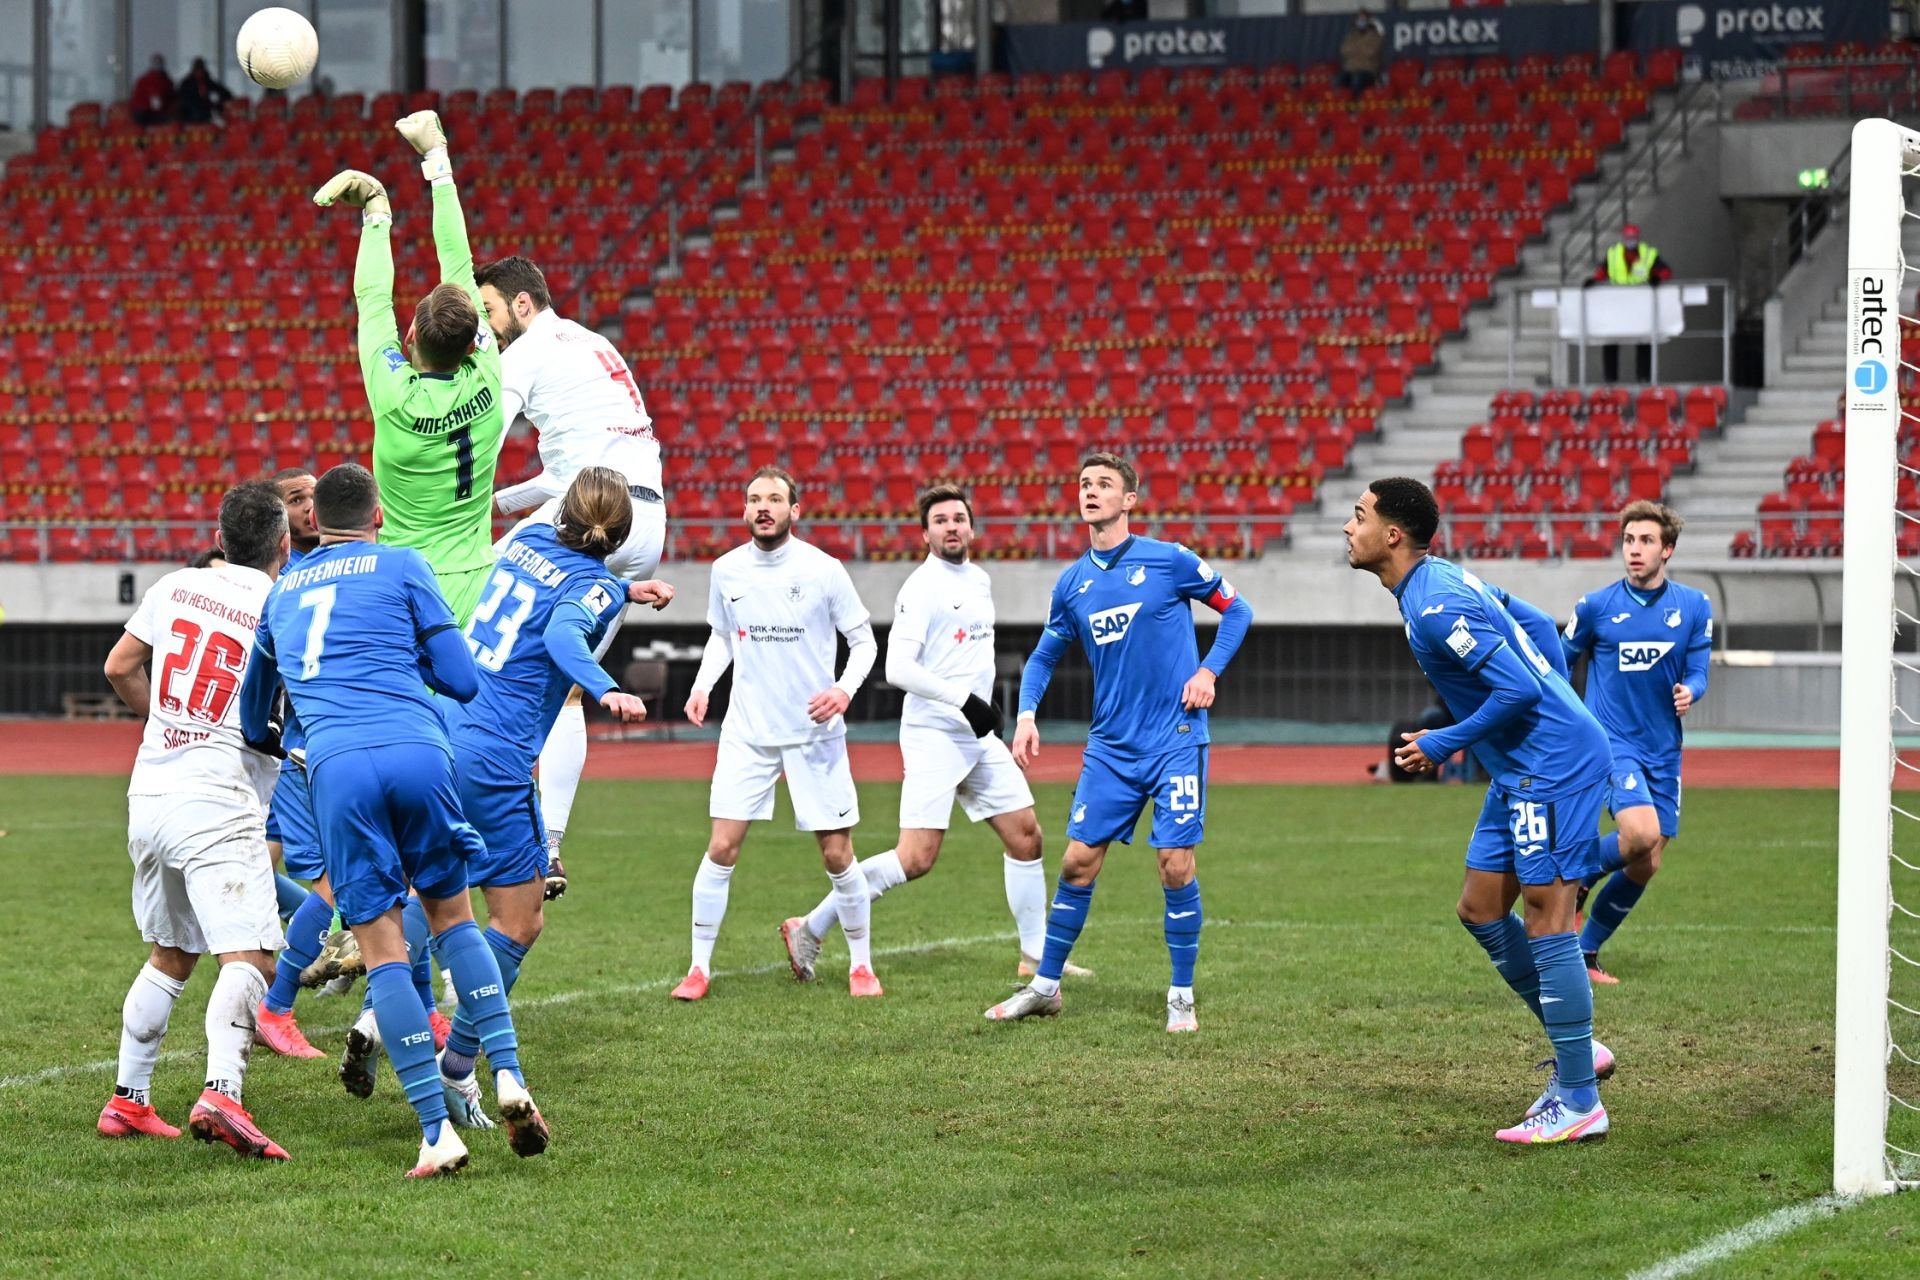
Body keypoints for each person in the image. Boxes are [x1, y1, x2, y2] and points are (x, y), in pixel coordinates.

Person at [238, 463, 546, 1178]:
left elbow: (258, 719)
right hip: (418, 751)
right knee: (454, 920)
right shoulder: (405, 564)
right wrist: (410, 668)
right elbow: (463, 680)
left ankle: (436, 1135)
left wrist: (301, 728)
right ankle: (506, 1076)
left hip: (339, 770)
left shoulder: (282, 591)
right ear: (379, 517)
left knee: (381, 955)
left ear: (312, 526)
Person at [1346, 477, 1615, 1145]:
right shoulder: (1434, 583)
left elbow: (1518, 685)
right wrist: (1548, 693)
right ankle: (1578, 1044)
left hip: (1552, 765)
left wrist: (1445, 741)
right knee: (1478, 907)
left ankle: (1580, 1098)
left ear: (1392, 535)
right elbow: (1529, 624)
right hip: (1520, 764)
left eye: (1358, 517)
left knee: (1548, 918)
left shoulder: (1433, 604)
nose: (1348, 529)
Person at [985, 454, 1253, 1033]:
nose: (1091, 491)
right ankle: (1046, 987)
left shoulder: (1169, 559)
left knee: (1175, 866)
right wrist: (1026, 714)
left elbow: (1238, 610)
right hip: (1110, 748)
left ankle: (1181, 995)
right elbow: (1045, 654)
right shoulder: (1073, 583)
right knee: (1077, 862)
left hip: (1176, 738)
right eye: (1084, 483)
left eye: (1104, 484)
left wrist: (1208, 672)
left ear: (1129, 500)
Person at [778, 483, 1088, 983]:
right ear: (926, 533)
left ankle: (1035, 956)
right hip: (935, 735)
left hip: (976, 734)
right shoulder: (921, 588)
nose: (951, 527)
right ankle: (810, 927)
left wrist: (979, 707)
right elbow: (898, 667)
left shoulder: (981, 580)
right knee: (916, 858)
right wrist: (964, 701)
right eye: (940, 520)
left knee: (1027, 838)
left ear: (971, 526)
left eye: (958, 518)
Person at [435, 467, 664, 1128]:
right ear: (622, 534)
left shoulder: (525, 544)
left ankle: (384, 1017)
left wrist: (622, 589)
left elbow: (554, 590)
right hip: (493, 755)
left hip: (444, 726)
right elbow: (565, 632)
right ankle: (455, 1070)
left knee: (442, 896)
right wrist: (604, 685)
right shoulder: (591, 584)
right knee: (518, 921)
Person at [98, 481, 292, 1159]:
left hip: (151, 787)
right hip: (216, 793)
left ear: (218, 540)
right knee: (255, 954)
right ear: (283, 545)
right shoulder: (279, 602)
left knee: (172, 953)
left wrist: (165, 721)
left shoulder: (175, 586)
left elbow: (120, 665)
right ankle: (223, 1091)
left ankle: (129, 1098)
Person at [477, 252, 670, 898]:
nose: (490, 325)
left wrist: (460, 506)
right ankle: (550, 843)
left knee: (471, 602)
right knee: (561, 688)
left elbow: (482, 441)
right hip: (641, 526)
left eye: (492, 310)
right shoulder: (592, 345)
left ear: (521, 306)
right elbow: (566, 475)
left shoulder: (524, 353)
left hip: (586, 509)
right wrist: (498, 506)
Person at [674, 466, 880, 1000]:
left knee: (837, 854)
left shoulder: (824, 569)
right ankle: (698, 969)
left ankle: (861, 965)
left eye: (773, 499)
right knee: (721, 846)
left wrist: (843, 690)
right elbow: (723, 636)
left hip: (814, 732)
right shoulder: (727, 570)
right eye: (753, 499)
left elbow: (864, 643)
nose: (762, 507)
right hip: (748, 730)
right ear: (745, 511)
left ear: (795, 510)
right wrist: (702, 687)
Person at [313, 110, 504, 625]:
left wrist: (377, 213)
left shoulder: (395, 397)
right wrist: (436, 161)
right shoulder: (489, 375)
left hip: (402, 580)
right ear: (473, 345)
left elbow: (373, 299)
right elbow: (459, 267)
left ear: (412, 335)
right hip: (475, 578)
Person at [1561, 501, 1712, 984]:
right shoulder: (1596, 607)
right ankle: (1576, 880)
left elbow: (1699, 669)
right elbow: (1558, 663)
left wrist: (1693, 690)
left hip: (1664, 749)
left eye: (1646, 541)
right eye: (1629, 540)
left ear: (1667, 549)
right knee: (1640, 835)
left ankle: (1585, 954)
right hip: (1611, 742)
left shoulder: (1693, 606)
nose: (1635, 550)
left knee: (1647, 862)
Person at [1589, 223, 1674, 383]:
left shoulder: (1648, 253)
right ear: (1623, 238)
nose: (1630, 241)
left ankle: (1643, 378)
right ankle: (1610, 379)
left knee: (1643, 341)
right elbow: (1602, 272)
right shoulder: (1613, 254)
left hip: (1640, 305)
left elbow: (1666, 271)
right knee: (1611, 341)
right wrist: (1594, 281)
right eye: (1628, 238)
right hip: (1617, 305)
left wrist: (1657, 278)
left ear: (1637, 238)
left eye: (1633, 238)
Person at [1338, 11, 1386, 96]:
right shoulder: (1351, 36)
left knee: (1357, 80)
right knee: (1340, 81)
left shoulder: (1374, 36)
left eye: (1363, 19)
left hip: (1367, 71)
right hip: (1350, 69)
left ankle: (1357, 105)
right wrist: (1360, 49)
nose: (1360, 22)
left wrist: (1354, 50)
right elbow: (1344, 49)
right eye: (1359, 19)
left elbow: (1370, 52)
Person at [174, 57, 232, 125]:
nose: (199, 73)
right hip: (190, 117)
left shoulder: (208, 82)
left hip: (206, 116)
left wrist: (217, 104)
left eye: (201, 70)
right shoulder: (187, 84)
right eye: (198, 70)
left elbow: (223, 92)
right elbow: (182, 99)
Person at [131, 55, 175, 125]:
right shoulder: (157, 80)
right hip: (145, 113)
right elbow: (156, 101)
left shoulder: (162, 80)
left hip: (143, 112)